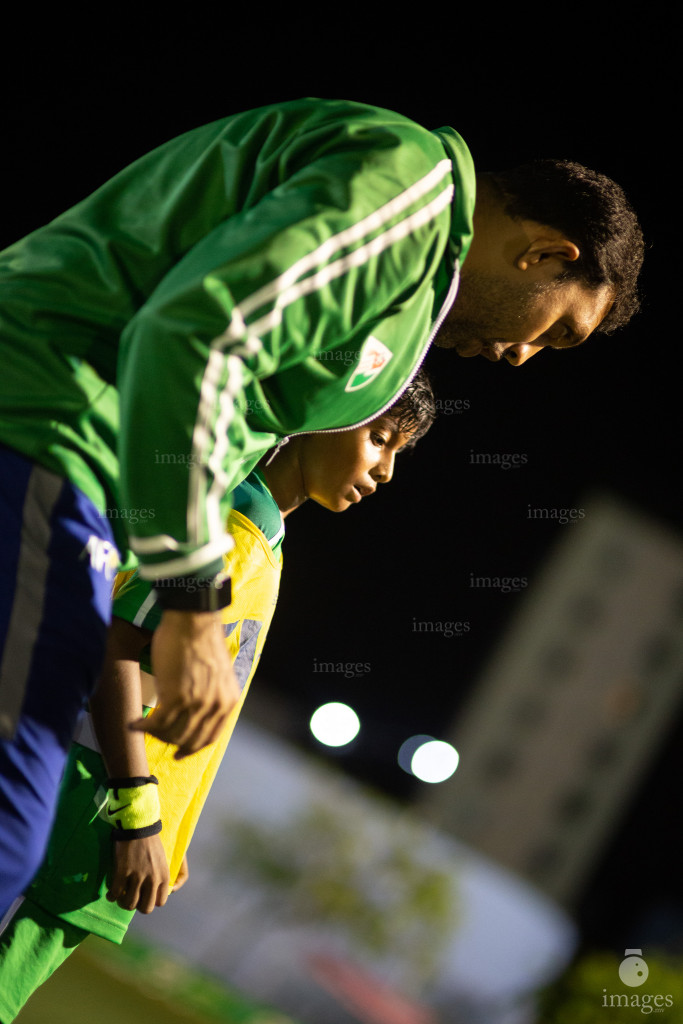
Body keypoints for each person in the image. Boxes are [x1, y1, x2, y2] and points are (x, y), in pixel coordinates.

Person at [0, 96, 644, 914]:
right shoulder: (410, 185)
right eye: (556, 333)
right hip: (43, 423)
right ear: (545, 254)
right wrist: (192, 609)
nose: (521, 359)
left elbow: (223, 416)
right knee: (10, 829)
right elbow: (194, 335)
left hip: (65, 459)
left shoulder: (404, 310)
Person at [0, 375, 434, 1023]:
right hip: (71, 820)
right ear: (328, 410)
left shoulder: (267, 538)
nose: (385, 470)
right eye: (378, 439)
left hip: (104, 843)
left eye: (399, 451)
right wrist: (140, 818)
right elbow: (113, 650)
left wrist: (169, 836)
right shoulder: (228, 523)